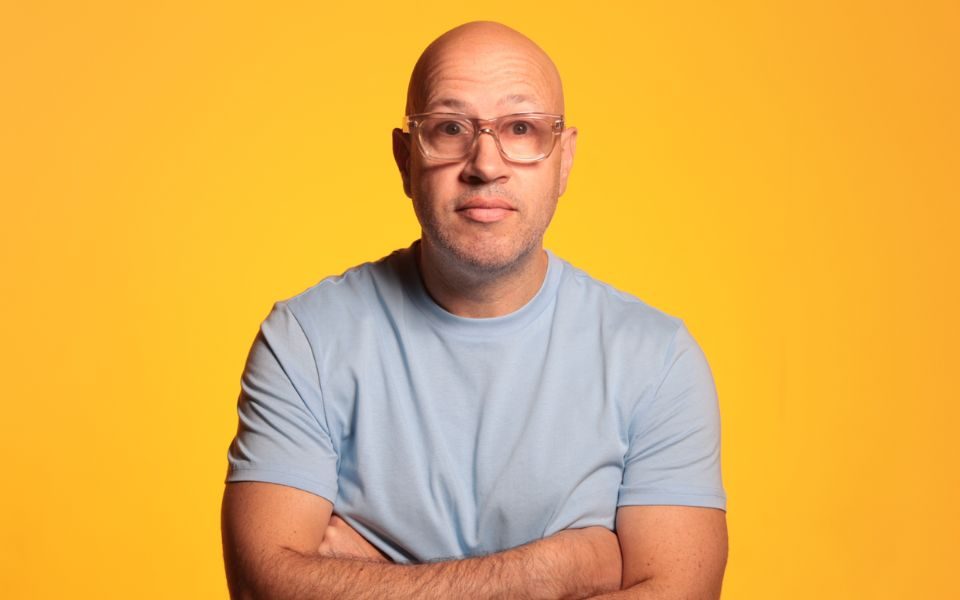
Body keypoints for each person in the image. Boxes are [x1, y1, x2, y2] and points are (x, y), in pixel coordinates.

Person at [221, 21, 728, 599]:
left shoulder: (656, 359)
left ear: (564, 159)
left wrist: (367, 576)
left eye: (520, 127)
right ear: (404, 157)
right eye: (450, 128)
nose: (486, 164)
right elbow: (267, 589)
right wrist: (560, 568)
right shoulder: (305, 341)